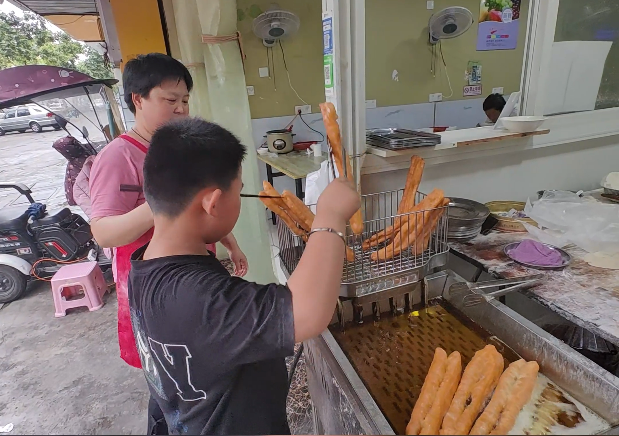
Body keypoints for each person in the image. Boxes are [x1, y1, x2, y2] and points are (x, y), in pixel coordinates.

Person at [129, 117, 360, 434]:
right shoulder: (196, 298)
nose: (240, 197)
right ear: (212, 204)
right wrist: (330, 216)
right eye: (238, 191)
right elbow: (305, 312)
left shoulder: (147, 266)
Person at [88, 54, 247, 433]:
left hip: (193, 276)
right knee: (167, 375)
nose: (181, 109)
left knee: (192, 366)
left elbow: (205, 204)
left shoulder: (181, 147)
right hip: (152, 285)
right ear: (138, 99)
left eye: (185, 100)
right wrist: (162, 203)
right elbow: (104, 232)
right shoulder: (118, 156)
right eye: (170, 99)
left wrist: (230, 243)